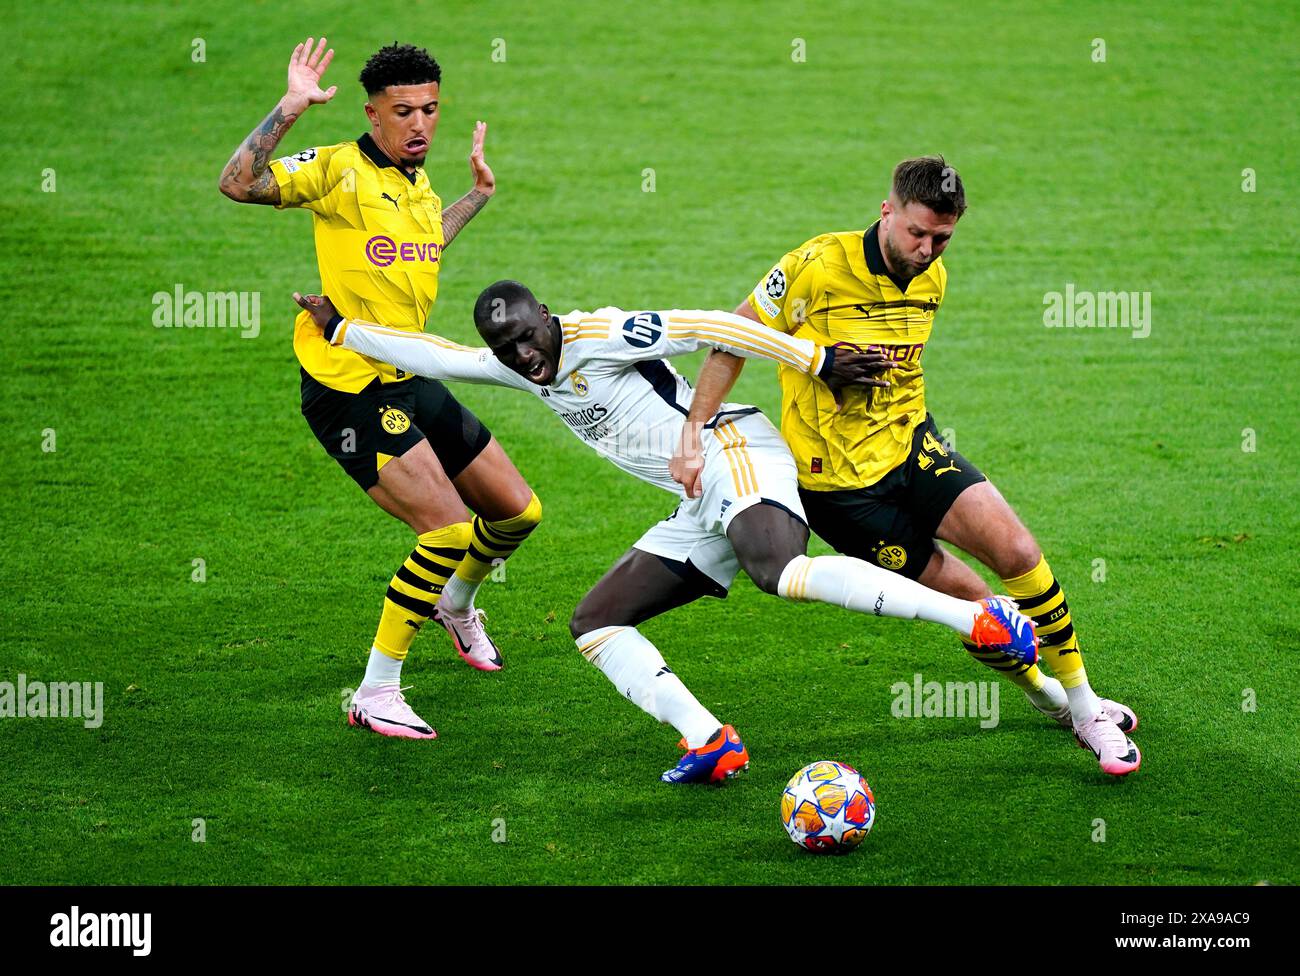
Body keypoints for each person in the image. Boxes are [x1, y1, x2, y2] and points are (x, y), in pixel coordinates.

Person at [292, 286, 1038, 783]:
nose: (525, 357)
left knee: (779, 569)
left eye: (527, 337)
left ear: (546, 317)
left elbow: (715, 327)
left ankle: (978, 617)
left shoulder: (597, 333)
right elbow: (437, 355)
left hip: (735, 453)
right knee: (595, 622)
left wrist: (816, 359)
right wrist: (343, 329)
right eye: (508, 348)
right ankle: (708, 739)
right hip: (699, 502)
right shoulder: (516, 366)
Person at [674, 155, 1139, 775]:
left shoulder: (934, 278)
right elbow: (731, 336)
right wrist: (692, 431)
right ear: (887, 210)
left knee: (1020, 555)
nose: (926, 249)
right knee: (977, 604)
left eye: (941, 238)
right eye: (917, 233)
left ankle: (1086, 708)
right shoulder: (816, 265)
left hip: (914, 448)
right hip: (840, 491)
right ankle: (1055, 702)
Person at [218, 38, 542, 740]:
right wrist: (291, 107)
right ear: (372, 114)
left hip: (408, 373)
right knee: (450, 528)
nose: (420, 124)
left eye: (429, 109)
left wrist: (476, 199)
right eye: (404, 112)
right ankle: (375, 691)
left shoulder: (418, 183)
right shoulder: (339, 170)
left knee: (518, 512)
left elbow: (420, 245)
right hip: (348, 389)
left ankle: (455, 606)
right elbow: (238, 183)